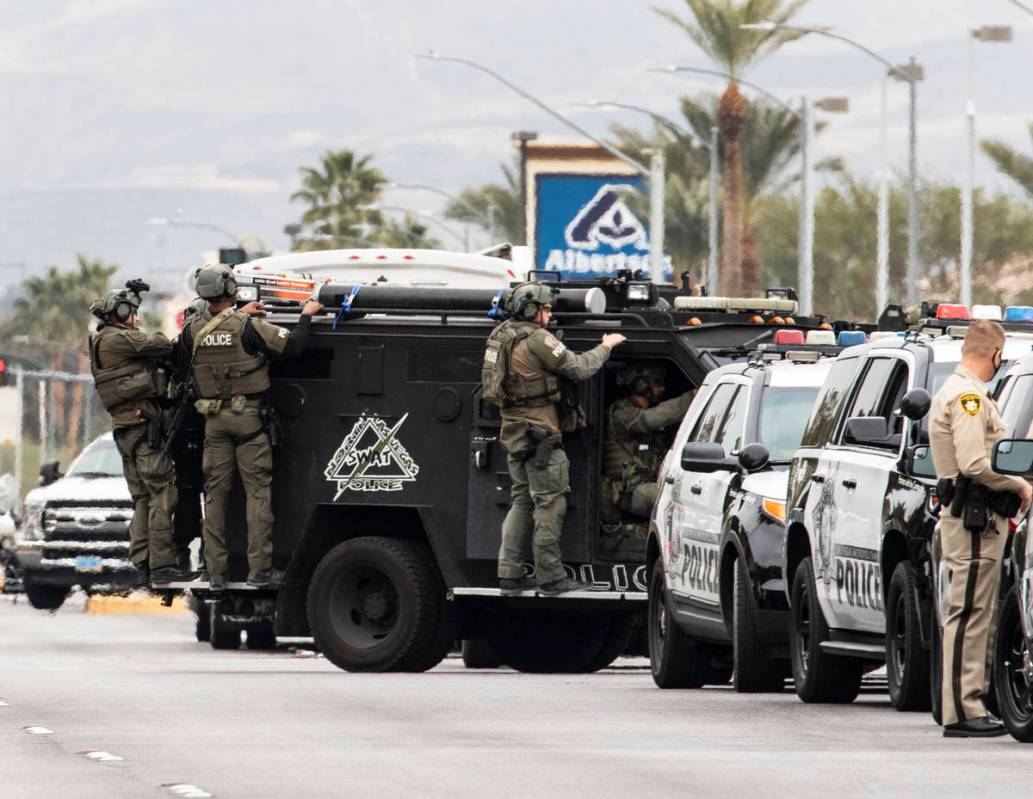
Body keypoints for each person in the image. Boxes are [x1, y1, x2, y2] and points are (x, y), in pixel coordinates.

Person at [179, 265, 324, 590]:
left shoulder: (192, 330)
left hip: (214, 424)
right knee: (257, 493)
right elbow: (295, 346)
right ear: (229, 289)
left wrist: (236, 316)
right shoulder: (247, 326)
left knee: (215, 497)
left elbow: (201, 340)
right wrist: (306, 314)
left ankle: (214, 572)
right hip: (248, 422)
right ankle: (259, 569)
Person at [485, 281, 626, 595]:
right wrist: (607, 346)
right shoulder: (537, 340)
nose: (549, 314)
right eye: (546, 308)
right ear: (531, 310)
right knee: (551, 503)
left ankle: (510, 573)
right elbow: (577, 368)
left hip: (515, 433)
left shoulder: (501, 336)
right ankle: (551, 577)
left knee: (521, 502)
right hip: (541, 436)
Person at [928, 319, 1032, 738]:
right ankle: (962, 710)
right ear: (994, 354)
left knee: (976, 611)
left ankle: (971, 700)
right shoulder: (969, 397)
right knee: (968, 611)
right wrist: (1020, 485)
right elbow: (974, 465)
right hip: (973, 518)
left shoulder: (961, 392)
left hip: (977, 517)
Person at [88, 284, 189, 585]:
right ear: (121, 312)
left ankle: (143, 561)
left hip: (128, 428)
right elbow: (159, 345)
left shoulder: (103, 340)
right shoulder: (118, 339)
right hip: (142, 428)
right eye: (132, 310)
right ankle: (162, 564)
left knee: (143, 497)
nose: (136, 316)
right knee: (162, 493)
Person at [600, 363, 694, 543]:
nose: (662, 388)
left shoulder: (647, 420)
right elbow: (649, 420)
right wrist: (692, 398)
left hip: (646, 485)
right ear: (642, 386)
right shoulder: (621, 413)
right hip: (627, 491)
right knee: (676, 499)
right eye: (657, 384)